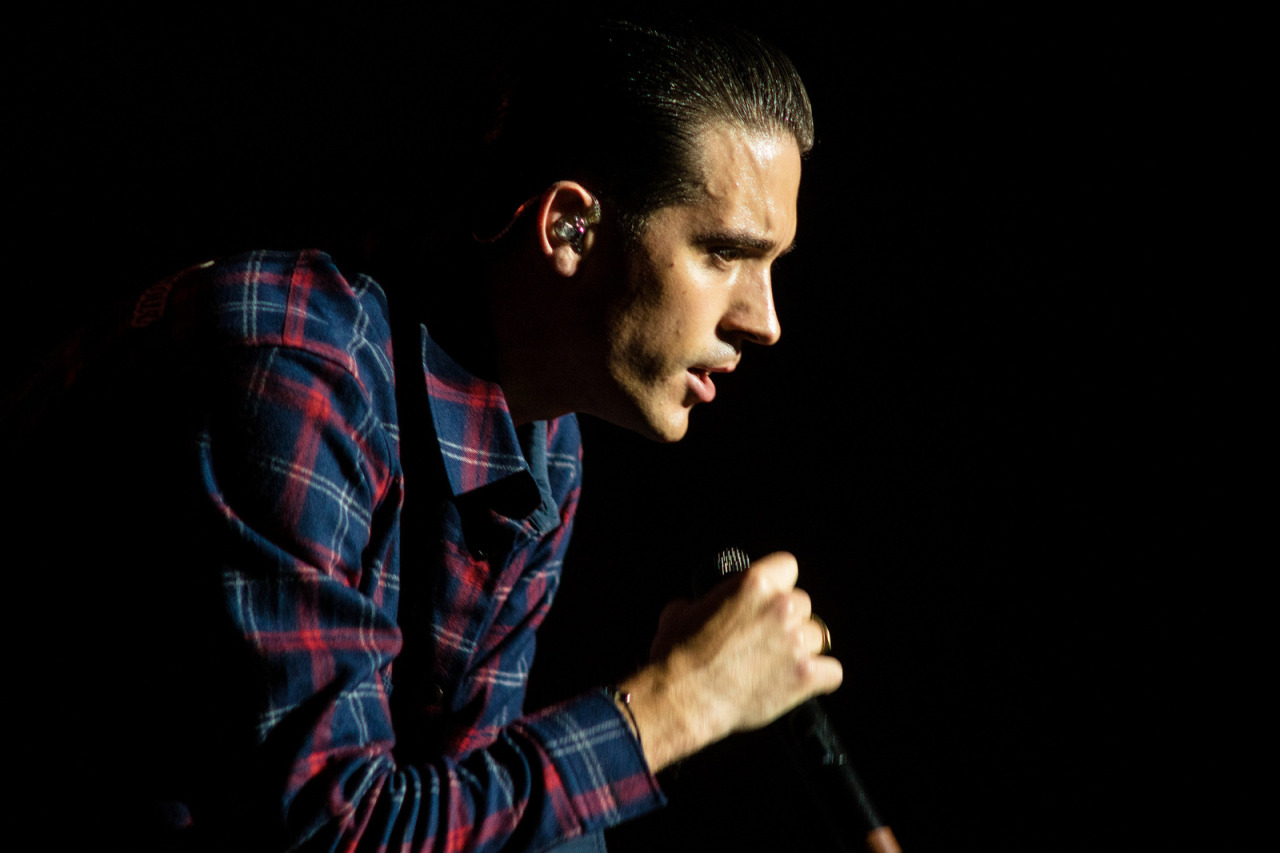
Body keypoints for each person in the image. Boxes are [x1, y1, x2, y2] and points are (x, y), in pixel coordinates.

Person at [7, 17, 841, 852]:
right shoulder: (290, 368)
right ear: (569, 228)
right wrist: (679, 702)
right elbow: (332, 830)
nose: (765, 320)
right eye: (726, 252)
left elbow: (467, 818)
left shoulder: (543, 448)